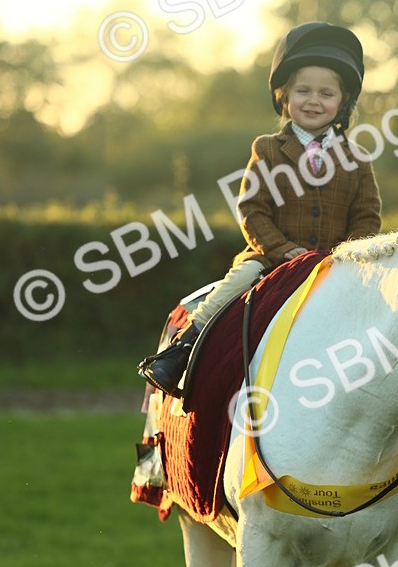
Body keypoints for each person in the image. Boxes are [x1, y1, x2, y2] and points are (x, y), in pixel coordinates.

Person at [138, 21, 382, 396]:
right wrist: (284, 250)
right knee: (235, 282)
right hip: (271, 258)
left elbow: (367, 217)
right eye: (303, 91)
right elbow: (252, 209)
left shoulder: (358, 158)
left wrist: (346, 257)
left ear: (342, 101)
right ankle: (183, 349)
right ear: (284, 96)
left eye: (326, 93)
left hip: (337, 264)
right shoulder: (267, 149)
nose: (314, 100)